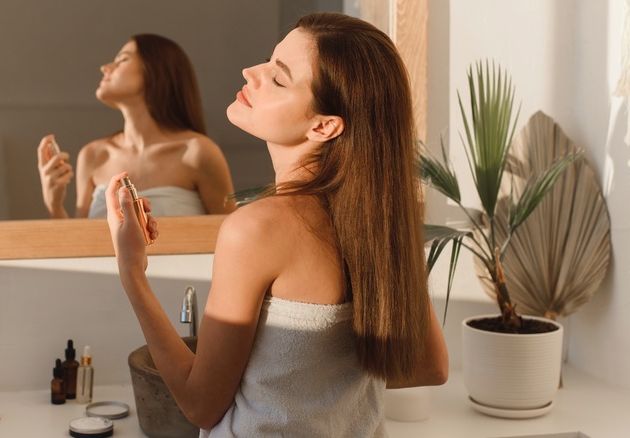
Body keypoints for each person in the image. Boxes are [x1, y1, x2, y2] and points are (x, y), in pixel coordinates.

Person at [105, 13, 448, 437]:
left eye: (279, 78)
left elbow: (199, 405)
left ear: (324, 126)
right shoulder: (379, 224)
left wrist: (132, 275)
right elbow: (431, 366)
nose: (251, 72)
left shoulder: (257, 229)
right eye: (268, 60)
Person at [37, 33, 236, 218]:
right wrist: (53, 203)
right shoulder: (93, 155)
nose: (105, 67)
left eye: (122, 59)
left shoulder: (198, 152)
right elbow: (78, 245)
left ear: (155, 70)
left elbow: (229, 237)